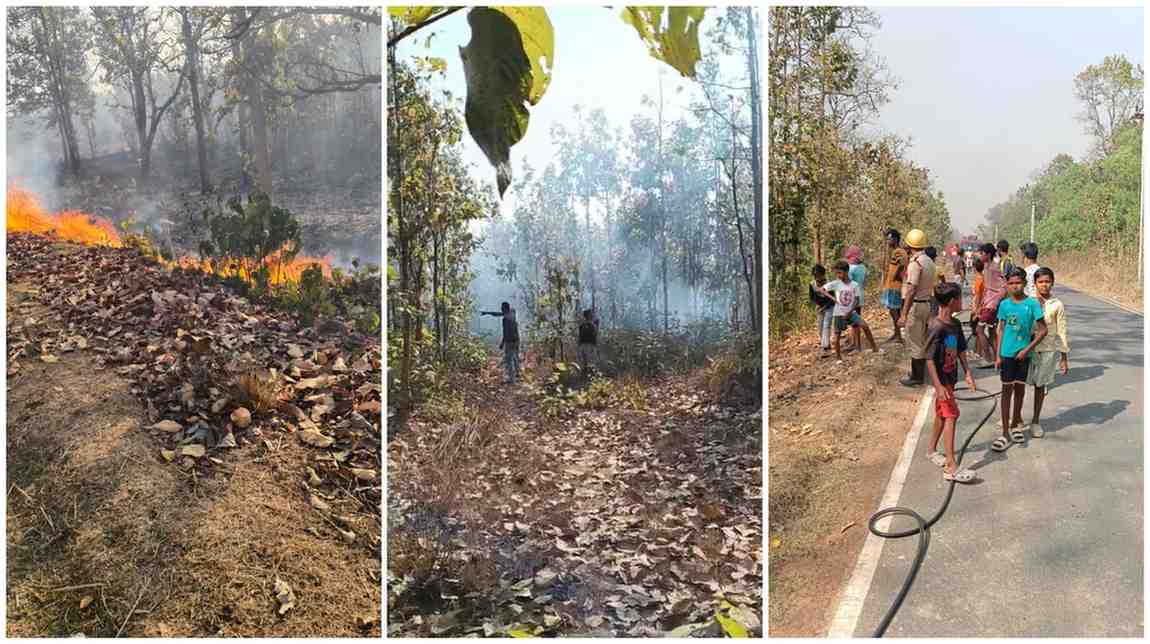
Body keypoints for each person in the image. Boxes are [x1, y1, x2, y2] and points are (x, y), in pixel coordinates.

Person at [924, 281, 979, 482]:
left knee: (941, 414)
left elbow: (959, 350)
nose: (962, 302)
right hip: (942, 382)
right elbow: (929, 358)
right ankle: (951, 465)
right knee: (952, 415)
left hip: (950, 378)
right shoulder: (936, 327)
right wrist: (938, 386)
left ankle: (931, 451)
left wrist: (967, 373)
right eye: (960, 298)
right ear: (952, 301)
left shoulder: (954, 325)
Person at [991, 268, 1048, 451]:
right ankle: (1005, 432)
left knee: (1020, 390)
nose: (1015, 286)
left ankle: (1017, 423)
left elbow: (1043, 330)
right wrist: (998, 355)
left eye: (1018, 283)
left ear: (1025, 283)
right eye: (1011, 283)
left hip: (1023, 356)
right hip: (1007, 355)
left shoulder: (1032, 304)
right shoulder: (1004, 305)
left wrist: (1027, 349)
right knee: (1006, 391)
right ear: (1006, 285)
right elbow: (1000, 329)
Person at [1026, 267, 1069, 438]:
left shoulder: (1057, 304)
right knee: (1018, 385)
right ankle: (1016, 419)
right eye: (1041, 282)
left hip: (1048, 350)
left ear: (1052, 283)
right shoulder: (1028, 302)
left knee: (1040, 386)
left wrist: (1064, 356)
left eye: (1047, 281)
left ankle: (1035, 421)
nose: (1044, 285)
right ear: (1035, 283)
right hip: (1026, 350)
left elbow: (1062, 330)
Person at [818, 260, 881, 363]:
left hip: (851, 313)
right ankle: (838, 358)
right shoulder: (836, 283)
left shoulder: (854, 285)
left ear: (846, 271)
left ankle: (875, 348)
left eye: (840, 273)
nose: (838, 275)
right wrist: (833, 298)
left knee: (865, 326)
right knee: (837, 336)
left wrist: (850, 311)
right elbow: (821, 289)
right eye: (836, 273)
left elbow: (856, 300)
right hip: (839, 314)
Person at [898, 229, 935, 386]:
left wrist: (904, 314)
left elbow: (911, 289)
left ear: (909, 245)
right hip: (927, 304)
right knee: (923, 339)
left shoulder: (915, 264)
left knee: (915, 342)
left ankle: (917, 377)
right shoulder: (929, 261)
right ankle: (920, 372)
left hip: (917, 305)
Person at [977, 243, 1005, 368]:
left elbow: (1004, 287)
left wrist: (996, 300)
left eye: (982, 253)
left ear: (988, 255)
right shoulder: (987, 267)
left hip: (991, 305)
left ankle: (988, 358)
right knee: (992, 332)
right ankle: (998, 358)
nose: (980, 255)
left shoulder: (994, 268)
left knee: (979, 330)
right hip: (988, 303)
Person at [482, 302, 521, 383]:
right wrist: (488, 313)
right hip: (517, 340)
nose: (501, 309)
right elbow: (499, 314)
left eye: (502, 307)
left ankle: (511, 379)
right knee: (515, 357)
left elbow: (506, 333)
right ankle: (518, 374)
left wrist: (502, 343)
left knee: (509, 360)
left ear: (504, 309)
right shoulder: (512, 313)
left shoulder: (505, 320)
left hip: (510, 341)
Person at [881, 229, 907, 344]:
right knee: (893, 311)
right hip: (892, 285)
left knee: (894, 311)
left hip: (894, 286)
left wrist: (895, 276)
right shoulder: (896, 251)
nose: (888, 241)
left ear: (895, 239)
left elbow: (902, 264)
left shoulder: (899, 252)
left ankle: (898, 336)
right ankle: (896, 334)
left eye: (889, 238)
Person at [810, 264, 836, 357]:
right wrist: (818, 305)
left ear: (823, 274)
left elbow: (832, 298)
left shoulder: (829, 283)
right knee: (820, 327)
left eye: (819, 275)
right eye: (815, 276)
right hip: (819, 308)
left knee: (826, 326)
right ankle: (826, 344)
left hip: (830, 307)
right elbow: (812, 297)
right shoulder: (812, 284)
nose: (817, 278)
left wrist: (824, 307)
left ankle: (824, 348)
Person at [845, 246, 867, 351]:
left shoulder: (850, 268)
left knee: (855, 323)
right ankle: (854, 343)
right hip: (860, 296)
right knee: (856, 321)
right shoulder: (863, 267)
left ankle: (857, 346)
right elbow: (864, 281)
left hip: (853, 298)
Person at [970, 256, 986, 362]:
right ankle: (977, 352)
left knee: (978, 331)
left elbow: (978, 296)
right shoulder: (983, 278)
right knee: (978, 330)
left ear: (974, 268)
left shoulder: (978, 280)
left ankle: (979, 352)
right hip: (982, 306)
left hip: (979, 308)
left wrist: (976, 310)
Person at [576, 308, 599, 374]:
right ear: (588, 315)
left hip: (583, 346)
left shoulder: (582, 325)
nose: (592, 315)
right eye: (591, 314)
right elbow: (594, 334)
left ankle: (585, 377)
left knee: (585, 364)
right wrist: (596, 325)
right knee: (590, 364)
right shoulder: (591, 325)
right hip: (589, 346)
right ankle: (588, 378)